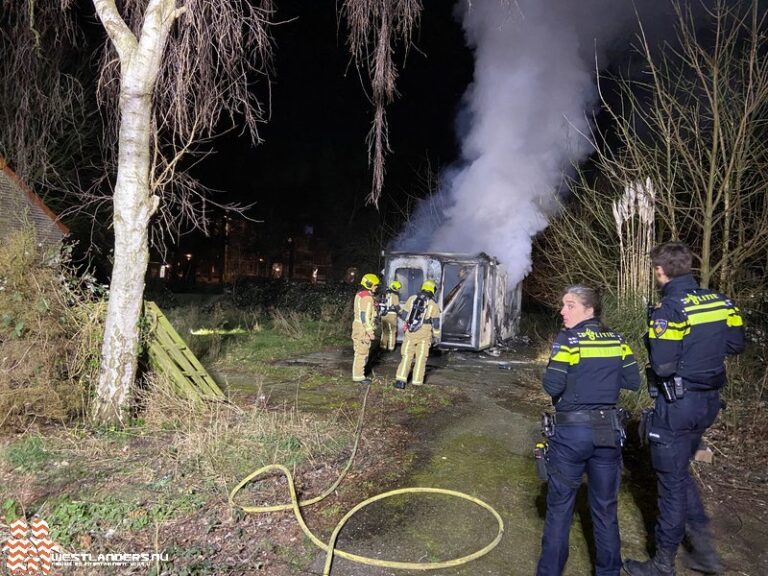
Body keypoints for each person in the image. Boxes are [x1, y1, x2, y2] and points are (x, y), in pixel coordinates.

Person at [624, 242, 745, 576]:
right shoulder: (722, 301)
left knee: (671, 484)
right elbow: (736, 344)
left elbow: (662, 367)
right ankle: (705, 552)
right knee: (680, 473)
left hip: (678, 405)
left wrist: (657, 339)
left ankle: (663, 563)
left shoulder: (670, 309)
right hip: (708, 404)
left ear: (661, 271)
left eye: (654, 270)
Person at [536, 285, 640, 576]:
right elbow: (633, 381)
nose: (562, 311)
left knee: (559, 510)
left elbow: (552, 386)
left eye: (570, 305)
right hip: (608, 431)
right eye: (563, 305)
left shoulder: (569, 340)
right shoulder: (618, 340)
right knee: (606, 511)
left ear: (589, 310)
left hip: (571, 434)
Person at [393, 279, 441, 389]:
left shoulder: (411, 298)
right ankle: (417, 382)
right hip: (425, 333)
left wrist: (408, 325)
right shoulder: (433, 304)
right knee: (421, 358)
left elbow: (404, 315)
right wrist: (437, 336)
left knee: (406, 356)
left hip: (411, 332)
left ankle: (400, 381)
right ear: (433, 290)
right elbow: (436, 323)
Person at [351, 273, 380, 385]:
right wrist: (370, 331)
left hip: (357, 325)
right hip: (363, 328)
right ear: (370, 284)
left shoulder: (360, 294)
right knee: (362, 352)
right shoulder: (368, 298)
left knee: (359, 350)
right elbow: (365, 316)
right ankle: (358, 377)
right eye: (375, 285)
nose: (376, 287)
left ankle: (358, 373)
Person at [380, 280, 402, 351]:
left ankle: (383, 346)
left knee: (384, 331)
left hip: (384, 314)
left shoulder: (384, 294)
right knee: (392, 331)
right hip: (392, 315)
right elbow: (396, 306)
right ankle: (391, 347)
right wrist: (402, 313)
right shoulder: (395, 295)